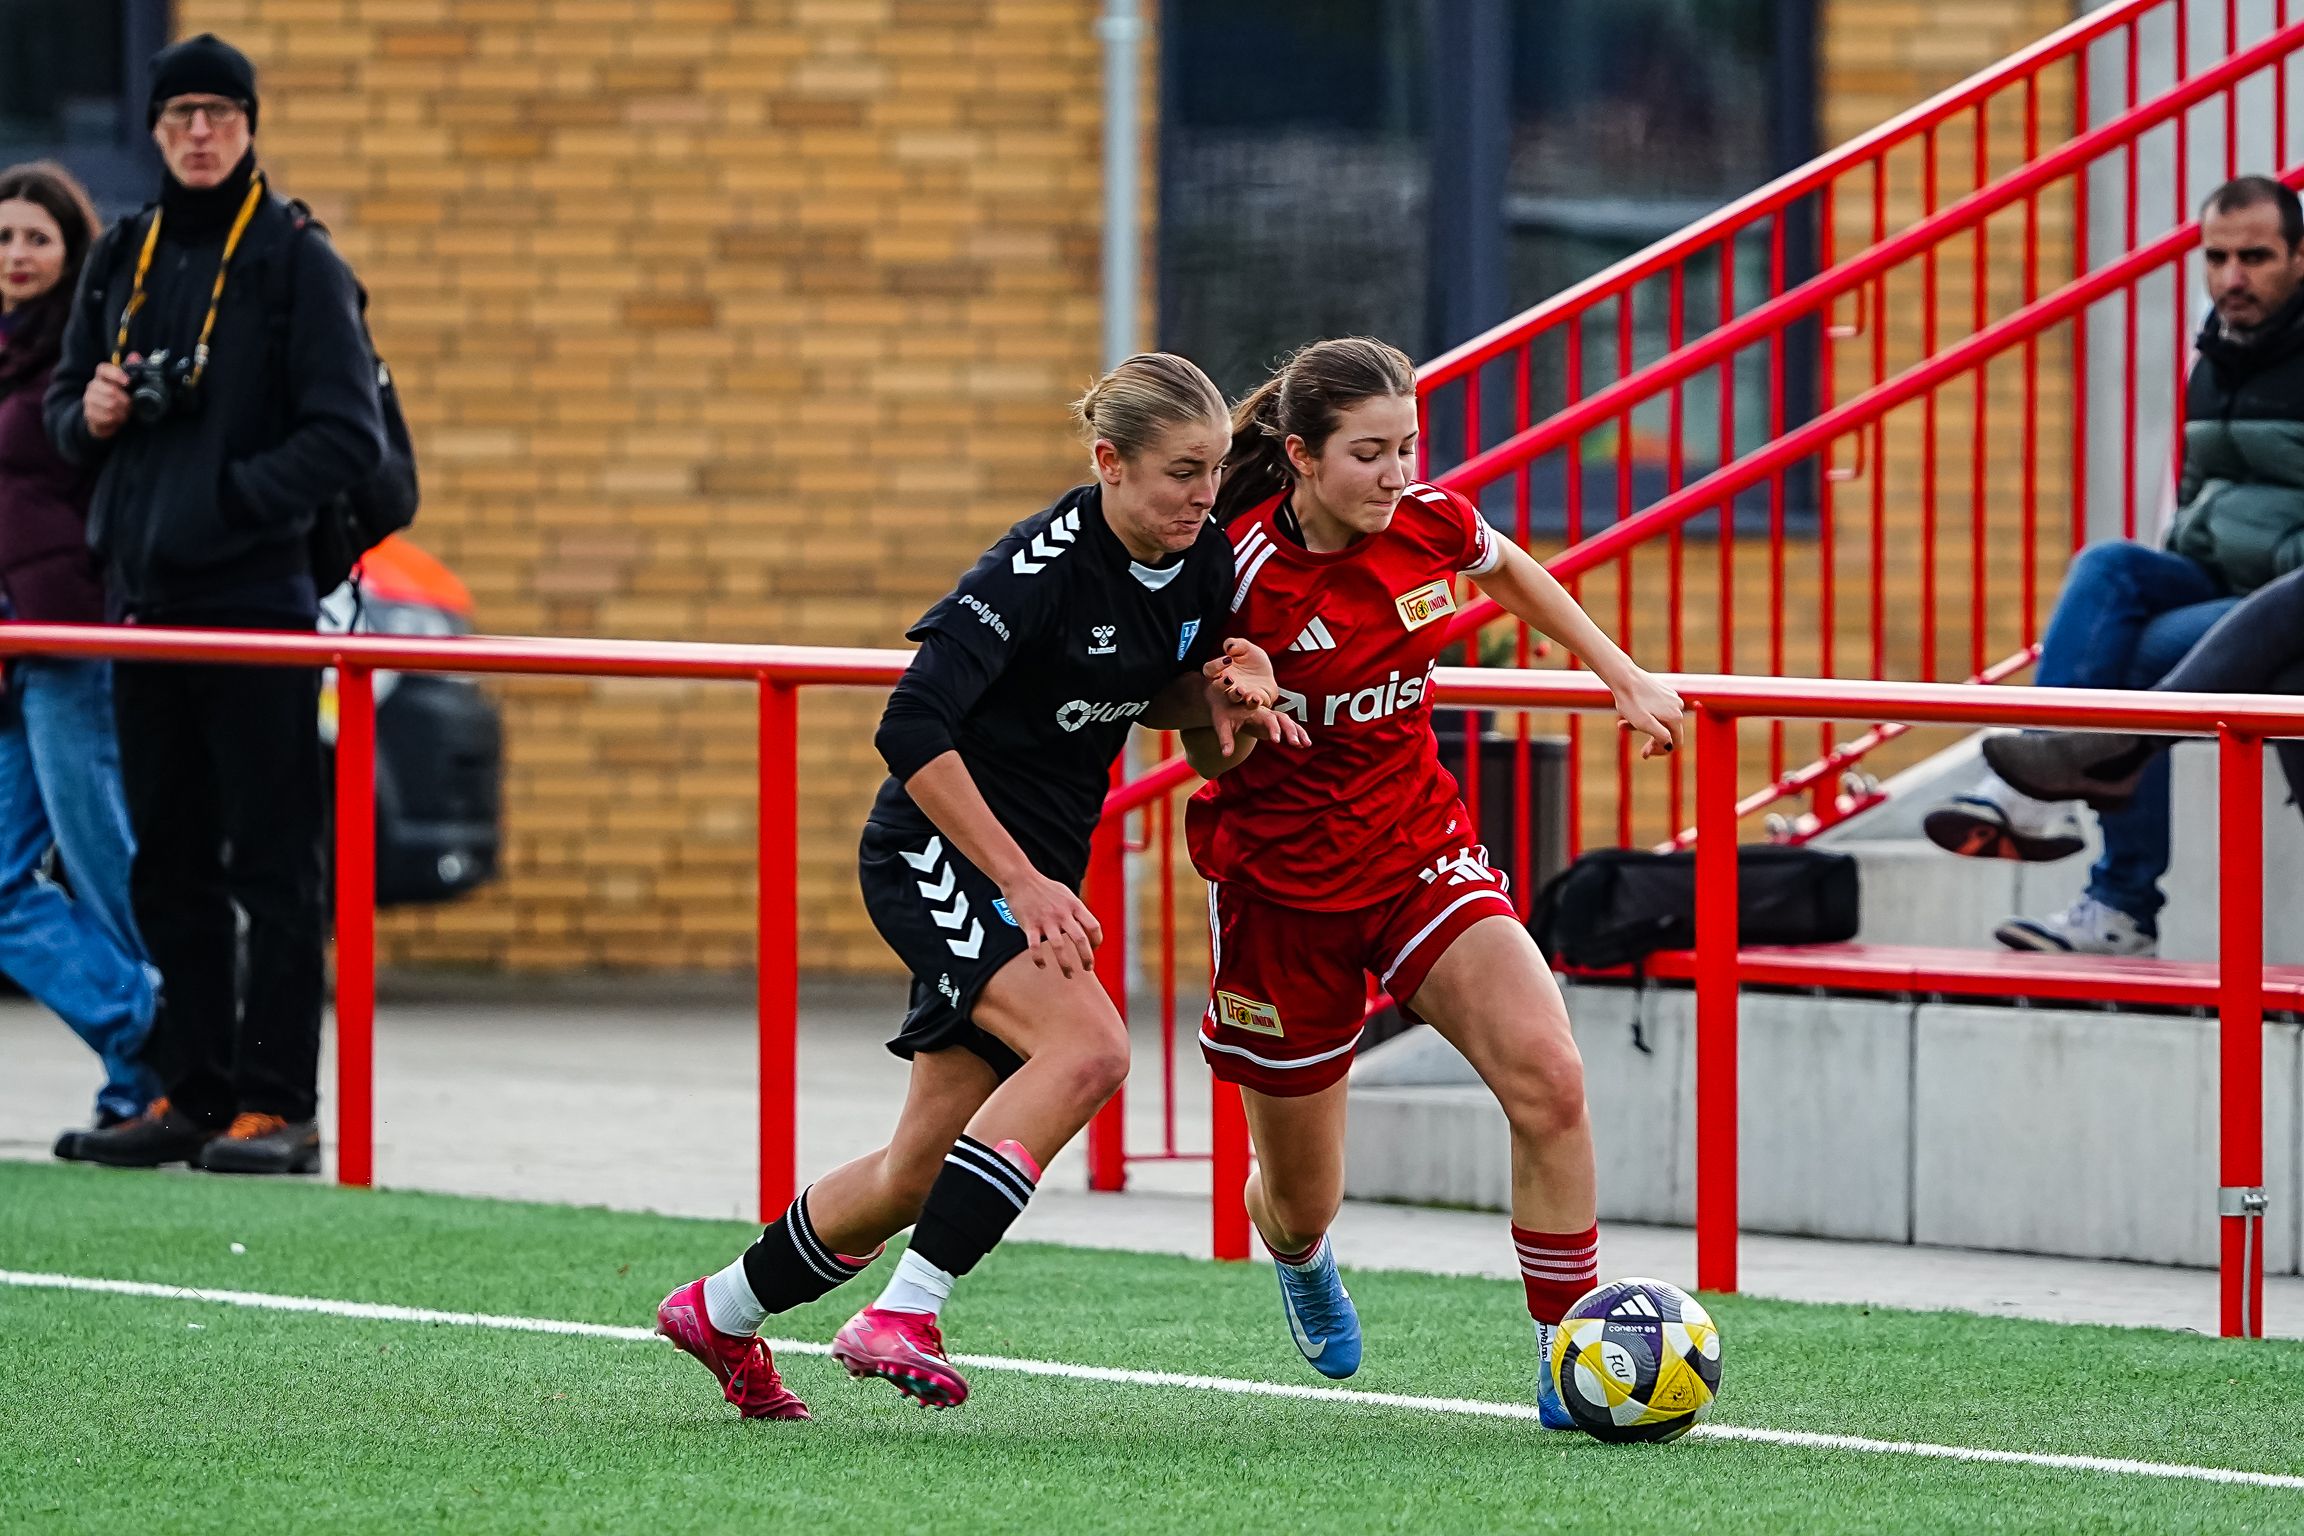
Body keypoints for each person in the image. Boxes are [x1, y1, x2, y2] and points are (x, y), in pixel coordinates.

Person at [655, 352, 1305, 1418]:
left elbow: (1153, 701)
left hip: (1030, 874)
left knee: (917, 1171)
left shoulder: (1201, 559)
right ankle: (905, 1312)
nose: (1203, 494)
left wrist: (1224, 699)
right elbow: (909, 724)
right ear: (1109, 462)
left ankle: (718, 1311)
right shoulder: (1037, 567)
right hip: (938, 855)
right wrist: (1023, 881)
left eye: (1215, 469)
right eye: (1181, 472)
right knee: (1090, 1050)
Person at [1183, 337, 1683, 1426]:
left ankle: (1568, 1356)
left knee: (1549, 1078)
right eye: (1369, 453)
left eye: (1408, 447)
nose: (1397, 473)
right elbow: (1202, 757)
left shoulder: (1429, 523)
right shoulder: (1232, 572)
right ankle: (1300, 1254)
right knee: (1303, 1199)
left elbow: (1506, 566)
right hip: (1281, 895)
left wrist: (1621, 672)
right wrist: (1240, 712)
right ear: (1302, 456)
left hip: (1419, 851)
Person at [46, 34, 385, 1175]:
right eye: (181, 114)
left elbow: (348, 436)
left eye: (220, 114)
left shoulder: (295, 260)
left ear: (249, 127)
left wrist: (224, 503)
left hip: (257, 607)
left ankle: (277, 1104)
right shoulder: (124, 254)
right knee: (168, 863)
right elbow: (60, 412)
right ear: (153, 129)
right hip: (143, 607)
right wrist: (91, 415)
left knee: (271, 867)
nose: (200, 132)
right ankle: (191, 1093)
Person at [1923, 175, 2304, 957]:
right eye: (2216, 258)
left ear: (2300, 257)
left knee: (2129, 666)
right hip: (2216, 579)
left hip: (2284, 595)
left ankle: (2116, 895)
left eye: (2256, 258)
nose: (2232, 278)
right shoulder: (2216, 352)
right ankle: (2043, 792)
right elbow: (2199, 492)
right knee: (2109, 570)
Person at [0, 161, 163, 1142]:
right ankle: (149, 1032)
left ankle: (153, 1080)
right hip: (9, 646)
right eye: (3, 238)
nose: (17, 254)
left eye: (37, 237)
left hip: (71, 638)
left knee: (106, 868)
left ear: (72, 249)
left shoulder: (90, 349)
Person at [1980, 561, 2304, 808]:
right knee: (2108, 564)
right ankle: (2104, 745)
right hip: (2228, 572)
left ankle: (2122, 746)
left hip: (2267, 573)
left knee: (2291, 675)